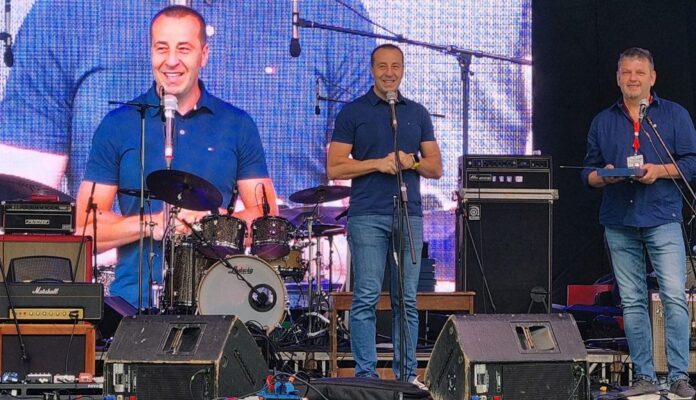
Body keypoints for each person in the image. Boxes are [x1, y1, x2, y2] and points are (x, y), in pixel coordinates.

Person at [0, 0, 375, 200]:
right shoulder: (64, 11)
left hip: (279, 299)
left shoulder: (332, 13)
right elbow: (23, 201)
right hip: (113, 300)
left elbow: (357, 202)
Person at [74, 6, 279, 309]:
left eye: (184, 49)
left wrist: (210, 224)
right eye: (162, 48)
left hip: (219, 304)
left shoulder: (237, 124)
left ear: (203, 55)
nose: (171, 61)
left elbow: (267, 222)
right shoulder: (118, 124)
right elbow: (84, 230)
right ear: (151, 52)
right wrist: (154, 224)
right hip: (132, 305)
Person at [582, 47, 696, 398]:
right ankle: (644, 376)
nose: (633, 78)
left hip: (662, 217)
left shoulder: (674, 115)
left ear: (652, 78)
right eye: (626, 72)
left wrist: (658, 171)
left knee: (674, 297)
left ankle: (679, 377)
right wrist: (605, 176)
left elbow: (691, 164)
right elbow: (587, 173)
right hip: (619, 220)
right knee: (632, 301)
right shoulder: (603, 121)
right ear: (618, 78)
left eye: (639, 72)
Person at [327, 44, 443, 386]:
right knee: (366, 296)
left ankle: (406, 377)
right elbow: (335, 166)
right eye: (382, 66)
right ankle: (366, 377)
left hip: (408, 214)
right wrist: (378, 163)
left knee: (406, 300)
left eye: (395, 66)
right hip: (367, 215)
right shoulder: (353, 112)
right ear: (372, 69)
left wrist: (413, 162)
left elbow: (436, 167)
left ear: (403, 70)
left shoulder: (417, 113)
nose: (389, 73)